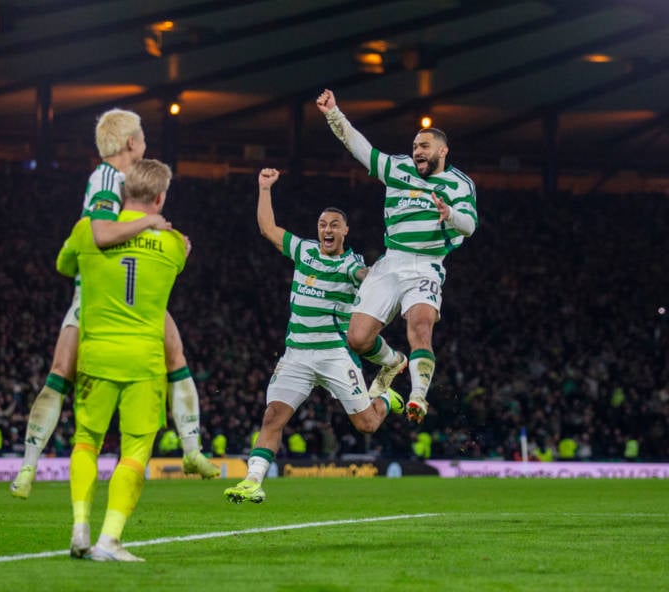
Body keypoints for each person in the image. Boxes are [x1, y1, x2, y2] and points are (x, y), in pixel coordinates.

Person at [11, 109, 219, 499]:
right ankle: (28, 464)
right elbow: (103, 233)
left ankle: (192, 451)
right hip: (97, 291)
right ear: (130, 143)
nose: (145, 144)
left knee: (175, 354)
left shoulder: (124, 181)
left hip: (132, 288)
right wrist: (151, 224)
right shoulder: (106, 177)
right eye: (142, 138)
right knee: (62, 371)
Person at [224, 168, 403, 505]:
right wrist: (264, 188)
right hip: (297, 355)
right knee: (272, 416)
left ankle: (387, 400)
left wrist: (381, 278)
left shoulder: (351, 264)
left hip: (334, 355)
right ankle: (252, 480)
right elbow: (267, 228)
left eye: (334, 225)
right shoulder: (304, 251)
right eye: (323, 225)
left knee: (366, 424)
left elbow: (364, 275)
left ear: (345, 231)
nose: (327, 229)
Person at [316, 88, 478, 423]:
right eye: (415, 146)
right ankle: (393, 363)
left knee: (420, 327)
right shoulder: (397, 168)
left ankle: (418, 395)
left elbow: (470, 227)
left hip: (426, 266)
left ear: (442, 150)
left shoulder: (460, 185)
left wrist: (449, 214)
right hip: (390, 262)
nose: (417, 151)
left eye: (424, 146)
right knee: (358, 339)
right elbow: (360, 148)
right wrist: (334, 113)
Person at [61, 158, 186, 562]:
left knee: (86, 441)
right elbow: (183, 254)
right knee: (134, 450)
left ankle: (80, 525)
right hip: (144, 363)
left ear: (121, 193)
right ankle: (109, 539)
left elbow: (64, 265)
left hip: (95, 355)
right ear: (161, 197)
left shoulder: (85, 232)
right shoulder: (173, 244)